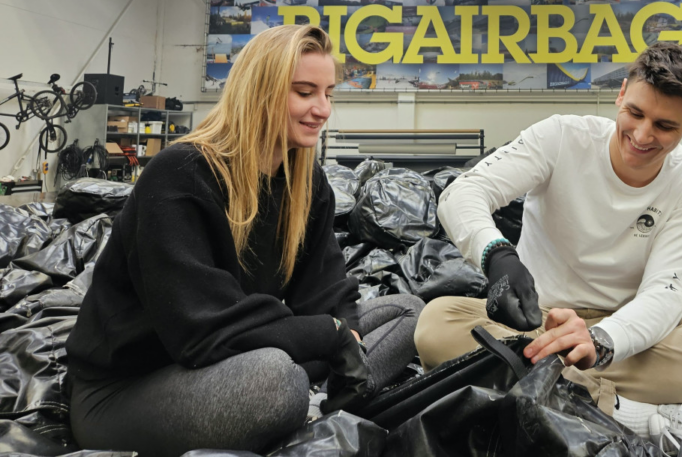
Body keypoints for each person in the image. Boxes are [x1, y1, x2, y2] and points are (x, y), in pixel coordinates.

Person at [66, 25, 424, 457]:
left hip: (235, 354)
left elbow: (326, 291)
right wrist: (329, 337)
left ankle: (320, 402)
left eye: (329, 93)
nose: (323, 109)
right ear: (259, 91)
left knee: (410, 311)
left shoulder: (306, 182)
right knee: (276, 380)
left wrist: (346, 333)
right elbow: (201, 331)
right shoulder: (179, 175)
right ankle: (308, 402)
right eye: (305, 92)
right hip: (129, 388)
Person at [414, 42, 682, 443]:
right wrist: (497, 256)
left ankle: (541, 387)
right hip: (540, 323)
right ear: (621, 94)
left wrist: (601, 342)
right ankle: (628, 412)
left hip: (630, 334)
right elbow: (462, 193)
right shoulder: (561, 137)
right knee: (436, 324)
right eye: (635, 113)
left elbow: (666, 292)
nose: (642, 135)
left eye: (664, 126)